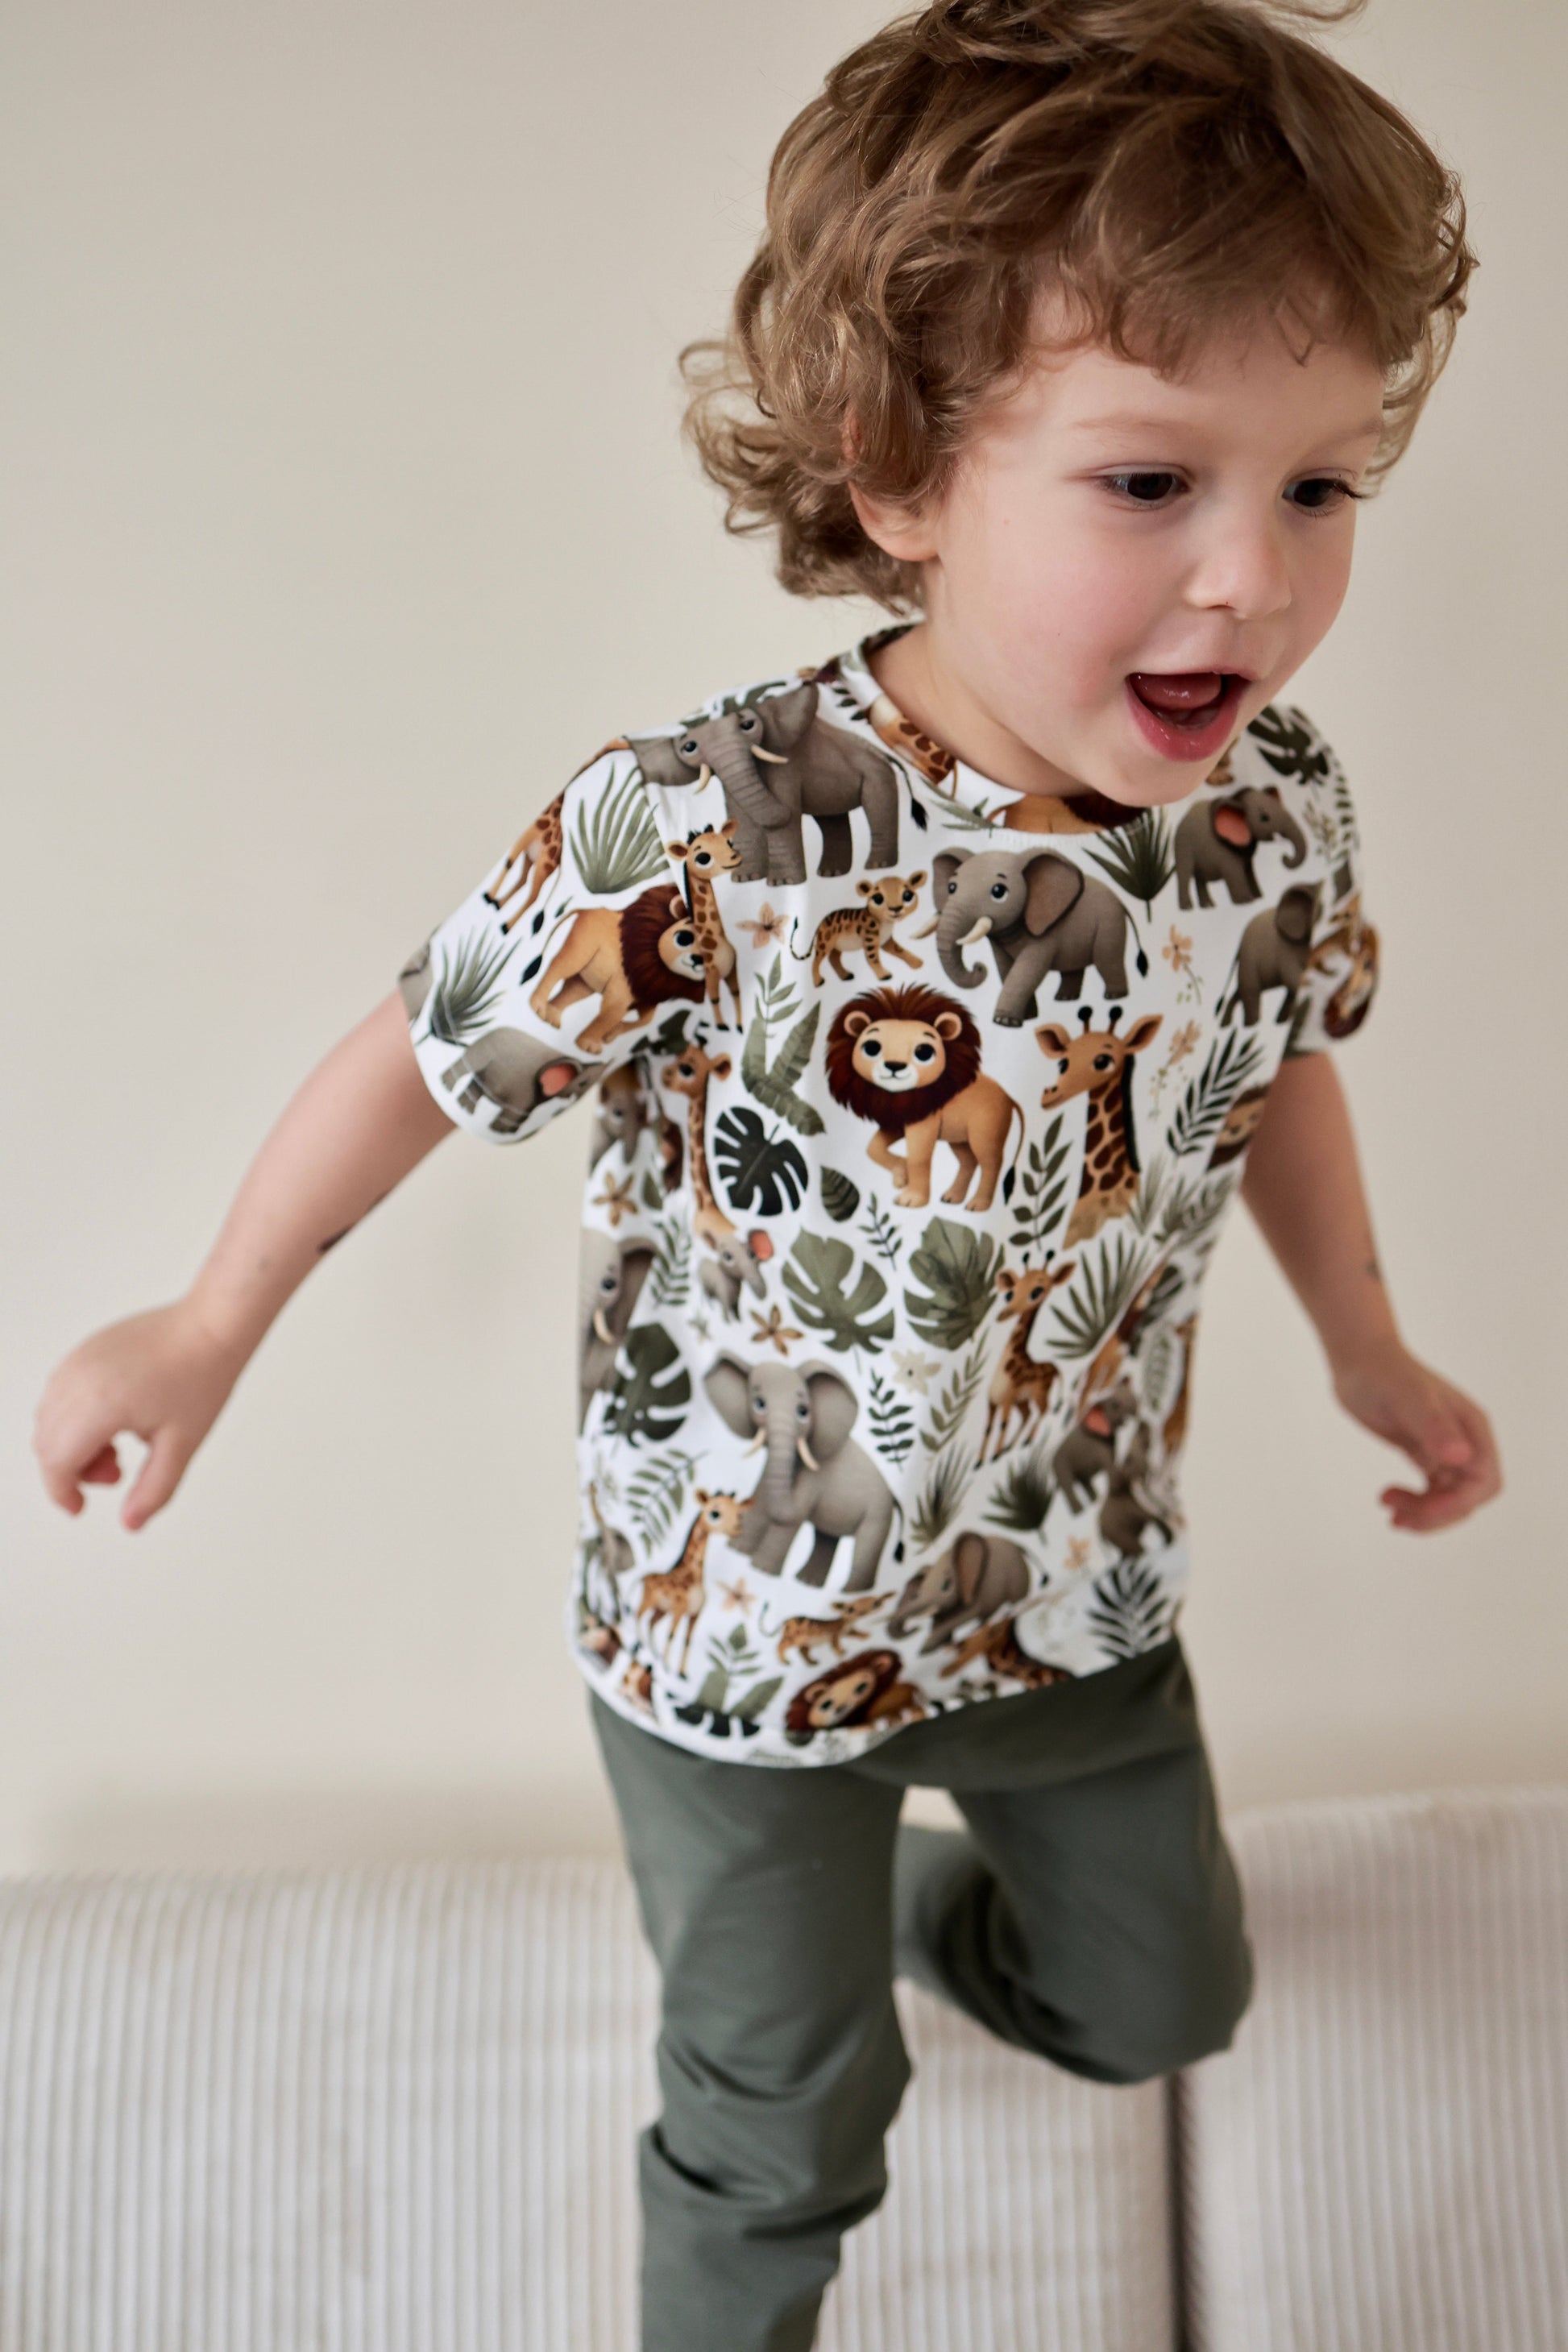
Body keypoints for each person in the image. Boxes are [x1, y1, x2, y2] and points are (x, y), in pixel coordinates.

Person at [32, 2, 1503, 2346]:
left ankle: (900, 1915)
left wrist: (1367, 1343)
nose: (1253, 577)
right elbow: (423, 1053)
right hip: (746, 1624)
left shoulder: (1273, 807)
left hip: (1062, 1577)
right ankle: (784, 2030)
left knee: (1161, 1999)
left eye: (1319, 489)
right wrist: (209, 1321)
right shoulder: (713, 828)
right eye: (1150, 483)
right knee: (782, 2140)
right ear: (898, 470)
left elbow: (1277, 1064)